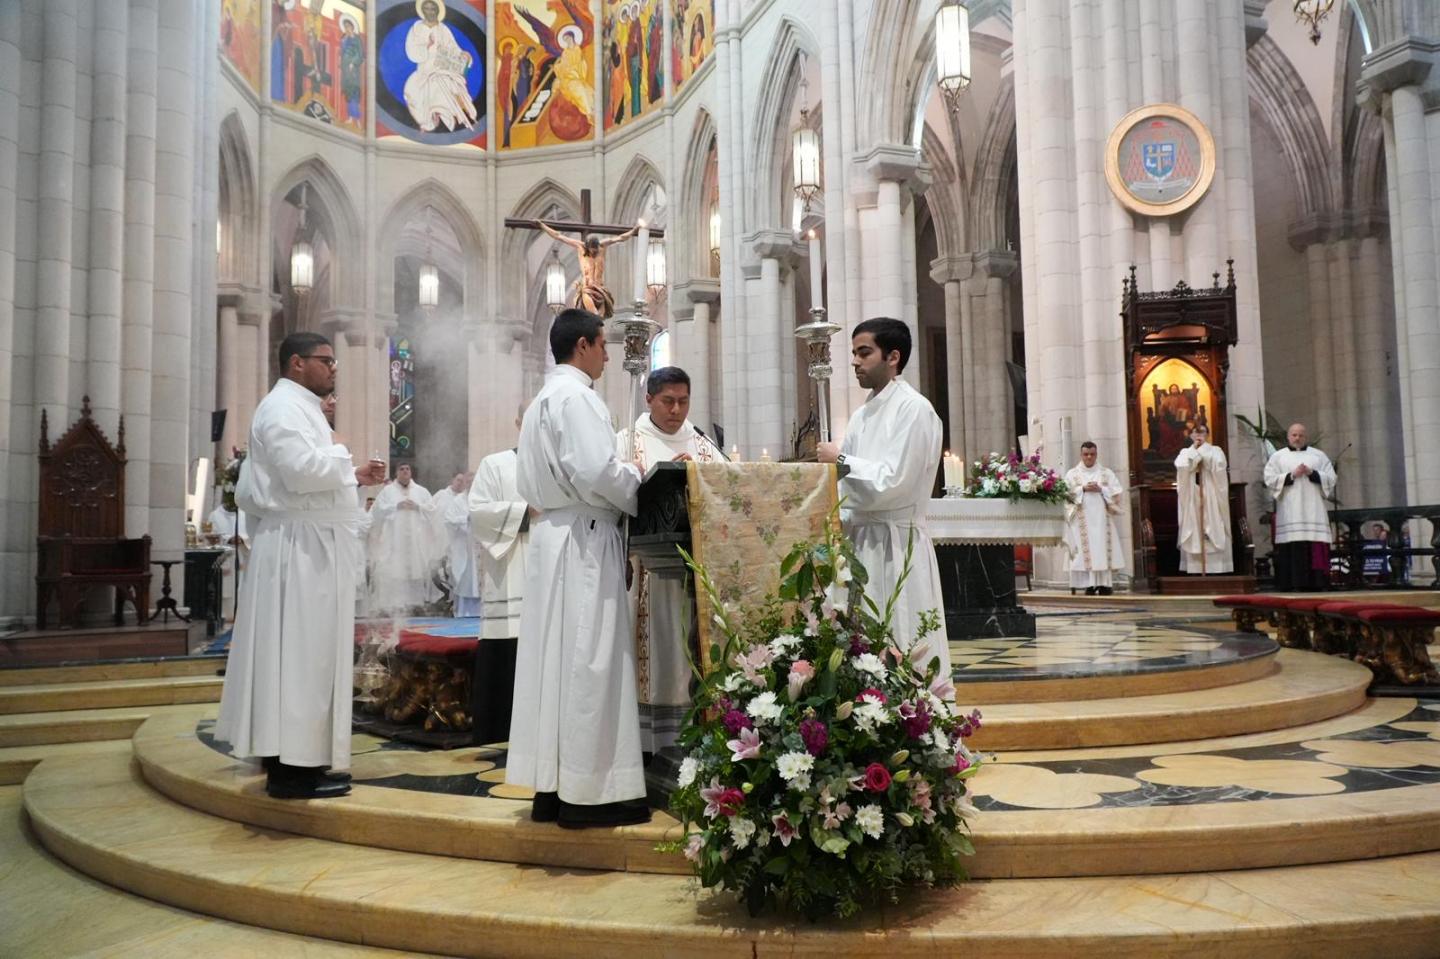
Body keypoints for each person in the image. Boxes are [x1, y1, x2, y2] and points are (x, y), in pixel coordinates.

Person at [215, 332, 386, 799]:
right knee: (297, 659)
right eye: (325, 361)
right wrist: (345, 459)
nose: (333, 369)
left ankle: (304, 761)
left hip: (310, 544)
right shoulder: (281, 407)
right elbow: (299, 471)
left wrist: (351, 473)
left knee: (310, 660)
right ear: (296, 362)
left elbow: (309, 471)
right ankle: (290, 772)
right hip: (297, 550)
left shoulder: (301, 407)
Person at [508, 308, 647, 829]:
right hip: (585, 540)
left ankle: (552, 788)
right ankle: (589, 793)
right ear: (583, 345)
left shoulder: (542, 400)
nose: (608, 355)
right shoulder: (579, 398)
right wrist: (634, 476)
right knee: (590, 660)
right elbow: (595, 470)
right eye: (603, 344)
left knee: (555, 663)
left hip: (555, 538)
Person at [817, 318, 950, 679]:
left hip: (896, 546)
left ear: (893, 357)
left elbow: (895, 483)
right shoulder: (861, 415)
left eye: (864, 353)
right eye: (854, 353)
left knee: (902, 638)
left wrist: (840, 460)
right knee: (859, 647)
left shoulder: (915, 409)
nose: (855, 362)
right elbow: (845, 489)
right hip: (860, 543)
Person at [616, 366, 724, 754]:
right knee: (658, 653)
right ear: (649, 399)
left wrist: (696, 474)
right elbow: (615, 501)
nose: (676, 410)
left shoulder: (704, 444)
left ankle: (697, 735)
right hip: (648, 571)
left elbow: (729, 490)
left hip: (698, 570)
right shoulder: (628, 442)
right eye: (668, 401)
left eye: (683, 401)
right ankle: (651, 746)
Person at [467, 414, 531, 745]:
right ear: (519, 422)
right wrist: (525, 514)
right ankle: (499, 734)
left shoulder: (562, 467)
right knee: (509, 653)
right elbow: (478, 512)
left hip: (552, 577)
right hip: (510, 573)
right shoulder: (495, 464)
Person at [1263, 422, 1336, 592]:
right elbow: (1270, 479)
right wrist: (1291, 475)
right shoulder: (1278, 457)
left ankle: (1316, 583)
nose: (1297, 438)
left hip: (1313, 510)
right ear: (1288, 437)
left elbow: (1331, 478)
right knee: (1292, 546)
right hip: (1290, 510)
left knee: (1313, 544)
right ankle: (1292, 583)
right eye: (1294, 435)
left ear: (1306, 437)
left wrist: (1313, 473)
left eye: (1301, 435)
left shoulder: (1318, 456)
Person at [368, 464, 440, 615]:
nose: (405, 471)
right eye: (401, 469)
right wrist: (396, 506)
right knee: (395, 569)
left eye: (407, 469)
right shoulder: (387, 491)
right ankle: (395, 605)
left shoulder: (421, 491)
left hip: (415, 539)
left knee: (416, 570)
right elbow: (377, 510)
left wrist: (418, 507)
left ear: (411, 472)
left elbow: (433, 510)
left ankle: (415, 604)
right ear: (396, 473)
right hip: (395, 540)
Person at [536, 219, 640, 318]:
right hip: (587, 288)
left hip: (600, 289)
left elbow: (620, 238)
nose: (595, 252)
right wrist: (542, 225)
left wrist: (633, 231)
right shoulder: (580, 247)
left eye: (596, 250)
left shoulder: (602, 246)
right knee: (594, 315)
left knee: (600, 317)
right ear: (587, 247)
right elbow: (558, 236)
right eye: (592, 250)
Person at [402, 0, 477, 133]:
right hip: (424, 69)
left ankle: (448, 119)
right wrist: (427, 46)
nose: (430, 12)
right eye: (426, 9)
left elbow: (453, 48)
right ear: (422, 11)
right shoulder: (417, 28)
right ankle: (428, 122)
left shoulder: (443, 29)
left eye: (432, 9)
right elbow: (411, 50)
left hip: (443, 68)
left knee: (444, 85)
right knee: (411, 90)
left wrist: (463, 55)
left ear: (437, 11)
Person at [1063, 441, 1125, 595]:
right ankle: (1089, 585)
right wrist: (1082, 489)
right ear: (1081, 455)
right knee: (1085, 552)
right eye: (1086, 454)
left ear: (1096, 454)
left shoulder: (1106, 473)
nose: (1089, 457)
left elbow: (1117, 493)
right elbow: (1065, 494)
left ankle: (1105, 585)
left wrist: (1101, 489)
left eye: (1092, 454)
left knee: (1101, 550)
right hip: (1081, 521)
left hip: (1102, 520)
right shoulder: (1072, 474)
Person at [1174, 424, 1233, 574]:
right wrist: (1195, 453)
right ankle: (1195, 568)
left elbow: (1219, 467)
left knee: (1213, 523)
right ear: (1191, 435)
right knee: (1193, 525)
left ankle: (1215, 568)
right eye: (1195, 432)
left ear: (1207, 434)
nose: (1199, 435)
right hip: (1192, 496)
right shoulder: (1185, 452)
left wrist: (1203, 454)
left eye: (1202, 432)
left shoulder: (1216, 450)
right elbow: (1182, 467)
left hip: (1211, 494)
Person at [433, 472, 482, 617]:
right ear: (466, 483)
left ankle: (482, 613)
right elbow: (449, 521)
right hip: (464, 548)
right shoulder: (458, 501)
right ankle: (463, 613)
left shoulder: (484, 499)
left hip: (481, 548)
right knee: (465, 582)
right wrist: (466, 519)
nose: (471, 484)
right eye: (469, 482)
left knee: (481, 583)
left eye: (474, 481)